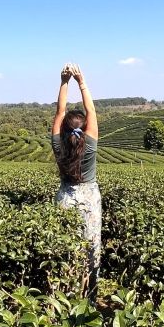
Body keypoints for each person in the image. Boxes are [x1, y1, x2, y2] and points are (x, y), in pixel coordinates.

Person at [51, 63, 101, 299]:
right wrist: (81, 81)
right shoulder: (90, 144)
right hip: (90, 200)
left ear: (63, 129)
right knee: (91, 249)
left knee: (64, 248)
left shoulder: (59, 146)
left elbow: (60, 112)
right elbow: (91, 111)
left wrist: (64, 81)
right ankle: (89, 297)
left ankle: (64, 295)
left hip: (65, 198)